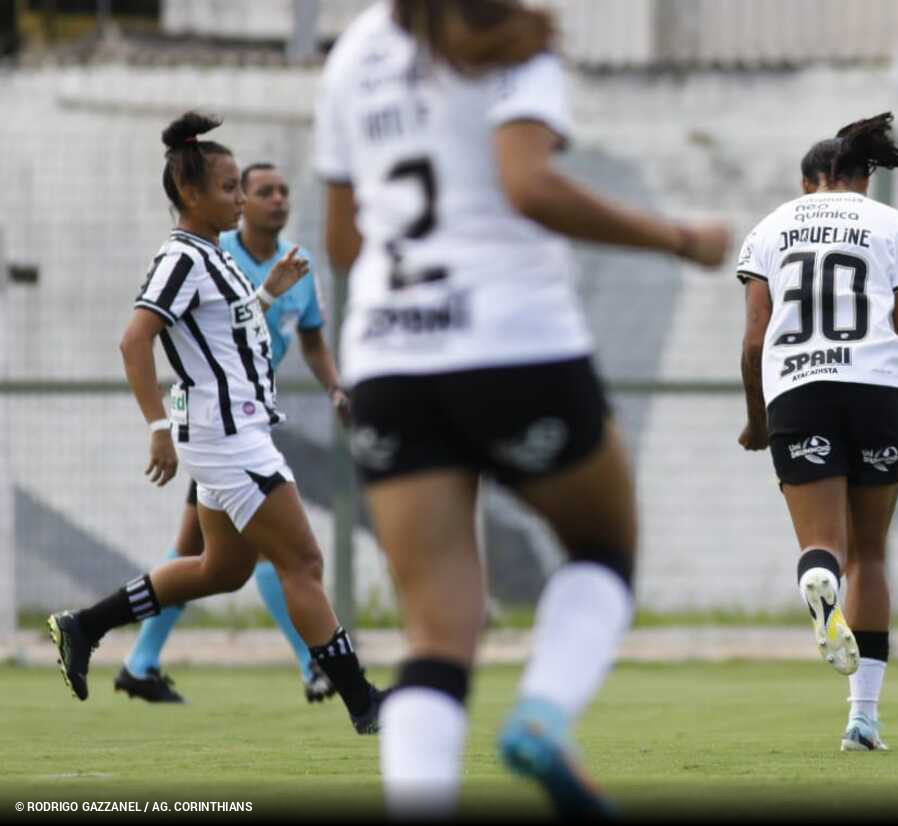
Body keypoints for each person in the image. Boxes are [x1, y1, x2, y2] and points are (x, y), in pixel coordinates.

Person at [315, 0, 728, 816]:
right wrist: (679, 237)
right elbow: (529, 184)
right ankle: (542, 716)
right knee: (602, 547)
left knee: (435, 634)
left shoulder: (352, 53)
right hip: (514, 343)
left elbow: (341, 242)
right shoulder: (508, 31)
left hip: (390, 357)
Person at [48, 112, 384, 735]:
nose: (239, 199)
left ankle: (83, 626)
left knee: (221, 570)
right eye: (230, 187)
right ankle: (365, 704)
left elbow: (220, 336)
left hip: (234, 435)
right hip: (230, 441)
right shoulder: (181, 255)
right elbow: (135, 342)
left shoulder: (211, 257)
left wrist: (267, 296)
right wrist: (157, 426)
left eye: (240, 187)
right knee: (304, 563)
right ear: (190, 194)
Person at [736, 113, 898, 752]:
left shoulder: (769, 228)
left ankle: (816, 581)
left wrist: (757, 419)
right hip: (876, 388)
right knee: (870, 554)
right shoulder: (894, 226)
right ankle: (863, 720)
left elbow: (754, 341)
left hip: (798, 387)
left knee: (822, 545)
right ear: (863, 178)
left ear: (808, 180)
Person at [114, 162, 350, 705]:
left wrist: (336, 387)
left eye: (283, 189)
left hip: (249, 418)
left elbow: (311, 340)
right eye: (262, 190)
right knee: (271, 550)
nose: (276, 199)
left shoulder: (296, 264)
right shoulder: (212, 255)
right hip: (211, 421)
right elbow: (158, 346)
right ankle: (314, 662)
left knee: (199, 550)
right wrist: (166, 426)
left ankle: (138, 660)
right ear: (236, 196)